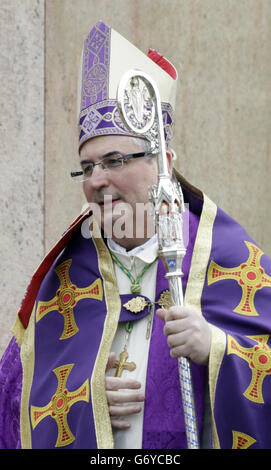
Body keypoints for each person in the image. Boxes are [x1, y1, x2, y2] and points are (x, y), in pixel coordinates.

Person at [1, 21, 271, 450]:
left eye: (113, 160)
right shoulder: (64, 280)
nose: (96, 180)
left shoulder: (229, 258)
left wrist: (217, 349)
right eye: (87, 167)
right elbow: (14, 402)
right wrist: (82, 404)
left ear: (162, 160)